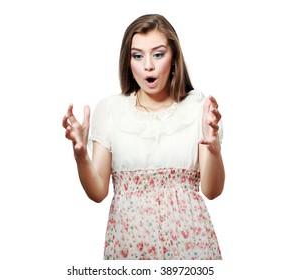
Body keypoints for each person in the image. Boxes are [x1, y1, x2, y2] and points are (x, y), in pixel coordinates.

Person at [62, 14, 225, 260]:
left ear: (174, 58)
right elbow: (97, 192)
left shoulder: (197, 109)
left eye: (158, 54)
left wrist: (213, 149)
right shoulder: (110, 111)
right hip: (129, 248)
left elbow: (212, 191)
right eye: (138, 56)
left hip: (191, 247)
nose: (148, 65)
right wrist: (80, 154)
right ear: (128, 62)